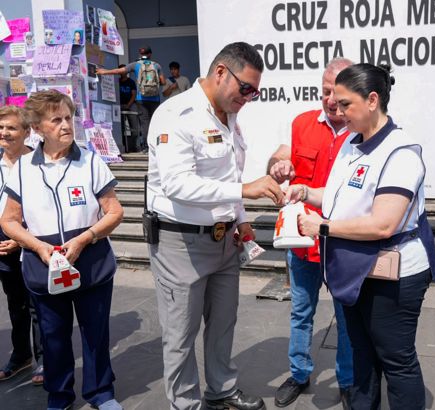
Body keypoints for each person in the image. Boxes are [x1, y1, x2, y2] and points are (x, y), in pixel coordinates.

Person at [286, 64, 435, 410]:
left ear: (372, 100)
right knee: (360, 355)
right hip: (355, 269)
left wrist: (321, 227)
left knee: (395, 360)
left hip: (392, 275)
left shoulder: (401, 152)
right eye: (335, 103)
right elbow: (340, 197)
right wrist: (306, 193)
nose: (337, 111)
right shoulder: (352, 144)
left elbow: (383, 223)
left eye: (345, 104)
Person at [146, 42, 284, 410]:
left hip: (225, 241)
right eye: (246, 89)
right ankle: (186, 404)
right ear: (221, 72)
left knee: (223, 323)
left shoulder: (229, 114)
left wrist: (240, 219)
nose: (249, 98)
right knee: (180, 333)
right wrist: (245, 190)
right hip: (181, 243)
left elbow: (226, 175)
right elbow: (178, 184)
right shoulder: (176, 114)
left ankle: (221, 389)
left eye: (256, 91)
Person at [0, 90, 124, 410]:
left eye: (68, 117)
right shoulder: (24, 167)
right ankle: (59, 394)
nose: (66, 125)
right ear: (39, 127)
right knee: (53, 337)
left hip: (91, 260)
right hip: (44, 264)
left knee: (95, 332)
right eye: (56, 120)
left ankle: (101, 393)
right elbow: (10, 220)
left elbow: (114, 212)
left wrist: (86, 238)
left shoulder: (91, 160)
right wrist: (38, 246)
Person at [267, 58, 354, 409]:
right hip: (302, 242)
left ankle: (348, 380)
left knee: (347, 316)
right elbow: (281, 155)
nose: (330, 100)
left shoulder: (361, 128)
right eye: (324, 91)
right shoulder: (303, 123)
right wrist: (278, 164)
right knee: (301, 311)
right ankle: (299, 374)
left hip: (345, 242)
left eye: (337, 93)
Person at [0, 106, 44, 386]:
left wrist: (21, 238)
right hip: (2, 241)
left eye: (11, 128)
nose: (4, 133)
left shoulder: (39, 163)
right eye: (0, 128)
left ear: (27, 132)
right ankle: (21, 355)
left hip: (34, 240)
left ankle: (45, 358)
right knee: (15, 304)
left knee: (38, 305)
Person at [96, 46, 166, 152]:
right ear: (150, 54)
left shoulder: (136, 65)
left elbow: (120, 71)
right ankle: (158, 145)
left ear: (140, 54)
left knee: (144, 123)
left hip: (141, 99)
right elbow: (163, 82)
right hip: (155, 99)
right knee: (155, 121)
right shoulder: (157, 65)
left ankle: (147, 147)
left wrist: (104, 72)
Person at [118, 64, 139, 153]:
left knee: (134, 128)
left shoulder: (131, 82)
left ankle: (134, 147)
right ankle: (125, 148)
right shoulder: (117, 81)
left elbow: (134, 95)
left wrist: (128, 105)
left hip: (131, 105)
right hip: (120, 106)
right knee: (121, 128)